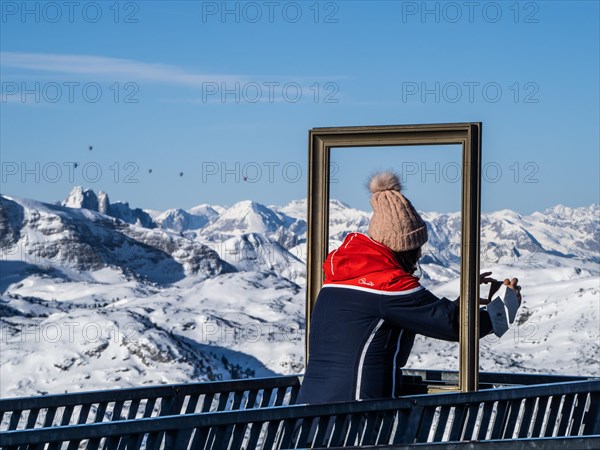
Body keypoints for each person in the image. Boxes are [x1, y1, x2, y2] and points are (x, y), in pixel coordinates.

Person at [297, 171, 522, 404]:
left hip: (311, 412)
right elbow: (455, 325)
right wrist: (505, 307)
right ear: (407, 248)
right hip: (354, 418)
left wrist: (464, 301)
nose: (420, 256)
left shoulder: (339, 279)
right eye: (418, 248)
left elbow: (420, 314)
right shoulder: (387, 285)